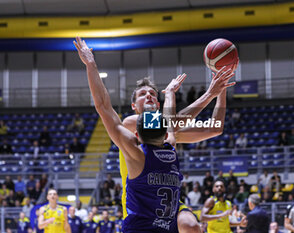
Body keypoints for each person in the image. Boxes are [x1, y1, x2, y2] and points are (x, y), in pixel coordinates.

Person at [74, 36, 236, 233]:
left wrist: (221, 86)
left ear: (158, 105)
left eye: (152, 94)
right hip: (141, 206)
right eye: (142, 94)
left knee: (191, 225)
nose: (149, 95)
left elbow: (215, 127)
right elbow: (169, 124)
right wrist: (206, 93)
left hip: (168, 203)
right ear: (134, 106)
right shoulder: (130, 124)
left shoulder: (167, 133)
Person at [75, 36, 186, 232]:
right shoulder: (171, 148)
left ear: (137, 135)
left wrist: (91, 65)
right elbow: (169, 122)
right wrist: (169, 94)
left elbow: (102, 106)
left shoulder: (137, 154)